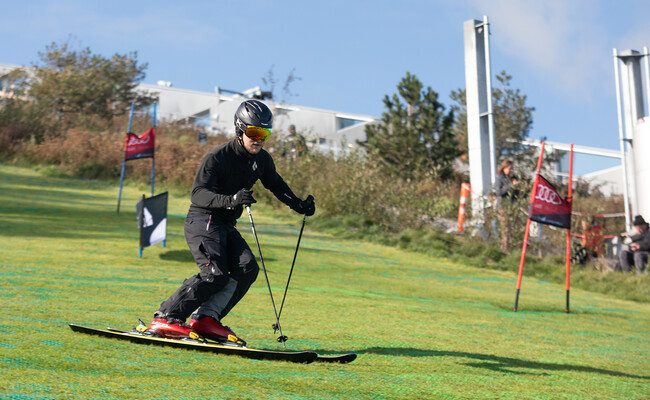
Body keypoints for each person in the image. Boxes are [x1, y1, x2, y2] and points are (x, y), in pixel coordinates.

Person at [146, 100, 316, 344]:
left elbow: (276, 185)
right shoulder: (218, 157)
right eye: (254, 132)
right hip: (203, 219)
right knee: (215, 273)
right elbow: (198, 194)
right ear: (240, 129)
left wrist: (299, 205)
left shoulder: (262, 160)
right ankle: (166, 317)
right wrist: (231, 199)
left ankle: (206, 319)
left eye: (265, 133)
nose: (259, 139)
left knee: (247, 268)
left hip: (225, 224)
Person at [494, 159, 516, 251]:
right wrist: (511, 185)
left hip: (510, 206)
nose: (510, 170)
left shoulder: (509, 178)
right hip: (502, 206)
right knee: (505, 229)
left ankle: (507, 248)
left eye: (511, 169)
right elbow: (498, 192)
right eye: (509, 168)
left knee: (509, 229)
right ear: (504, 168)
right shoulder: (499, 178)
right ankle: (504, 249)